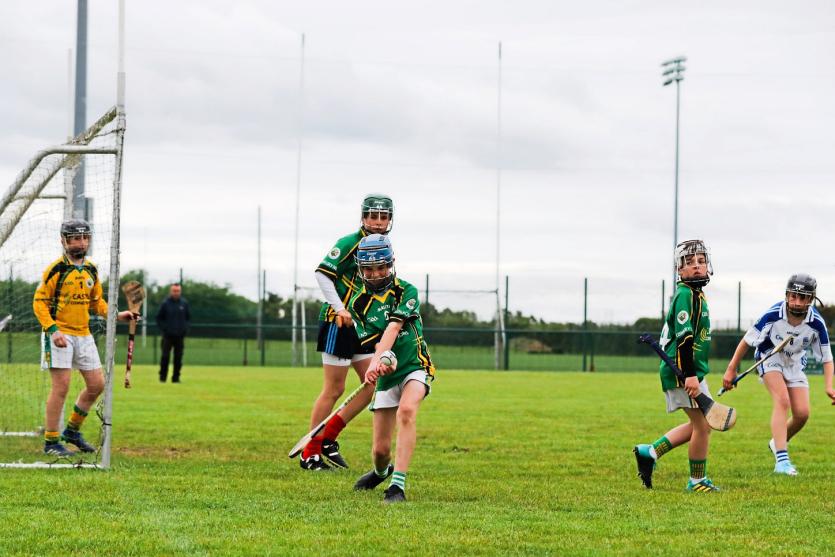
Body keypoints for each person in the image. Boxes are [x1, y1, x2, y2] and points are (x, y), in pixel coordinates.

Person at [299, 194, 395, 471]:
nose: (378, 222)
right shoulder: (348, 243)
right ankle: (310, 452)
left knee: (372, 383)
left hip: (362, 325)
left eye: (384, 217)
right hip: (337, 323)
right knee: (334, 388)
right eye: (373, 216)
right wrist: (340, 309)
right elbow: (322, 273)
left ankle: (328, 438)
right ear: (363, 218)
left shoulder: (385, 246)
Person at [32, 219, 137, 457]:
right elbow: (39, 303)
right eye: (76, 238)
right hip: (59, 333)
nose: (81, 242)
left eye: (85, 237)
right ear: (64, 241)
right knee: (61, 387)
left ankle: (72, 431)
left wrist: (118, 315)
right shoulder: (56, 269)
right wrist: (52, 330)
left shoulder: (91, 269)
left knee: (97, 385)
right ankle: (51, 442)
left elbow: (96, 303)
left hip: (83, 334)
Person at [349, 234, 435, 503]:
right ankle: (380, 471)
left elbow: (394, 326)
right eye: (369, 269)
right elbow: (377, 344)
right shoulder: (358, 305)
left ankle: (397, 486)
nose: (376, 274)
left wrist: (376, 361)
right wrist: (380, 363)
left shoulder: (406, 291)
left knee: (407, 411)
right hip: (389, 377)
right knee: (379, 450)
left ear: (391, 264)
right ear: (361, 270)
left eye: (381, 267)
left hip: (414, 365)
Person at [722, 274, 835, 476]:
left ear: (811, 300)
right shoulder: (773, 314)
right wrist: (731, 368)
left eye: (803, 298)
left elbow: (827, 358)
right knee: (782, 401)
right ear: (787, 295)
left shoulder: (816, 323)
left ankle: (777, 443)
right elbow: (747, 341)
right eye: (793, 296)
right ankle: (782, 460)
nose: (797, 302)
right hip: (769, 357)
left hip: (794, 363)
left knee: (802, 414)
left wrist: (829, 386)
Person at [633, 239, 719, 492]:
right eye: (689, 263)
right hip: (682, 371)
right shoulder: (684, 295)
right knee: (703, 426)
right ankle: (697, 481)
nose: (696, 267)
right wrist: (689, 376)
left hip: (692, 371)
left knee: (698, 424)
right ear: (678, 270)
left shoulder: (696, 294)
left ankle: (650, 452)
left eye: (701, 262)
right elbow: (685, 338)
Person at [156, 283, 191, 383]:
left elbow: (188, 318)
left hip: (180, 336)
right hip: (167, 336)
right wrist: (165, 329)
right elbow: (159, 318)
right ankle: (162, 378)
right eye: (174, 291)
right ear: (171, 291)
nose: (176, 293)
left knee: (178, 358)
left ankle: (176, 378)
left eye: (178, 291)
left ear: (180, 291)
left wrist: (185, 329)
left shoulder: (184, 304)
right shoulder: (165, 304)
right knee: (165, 357)